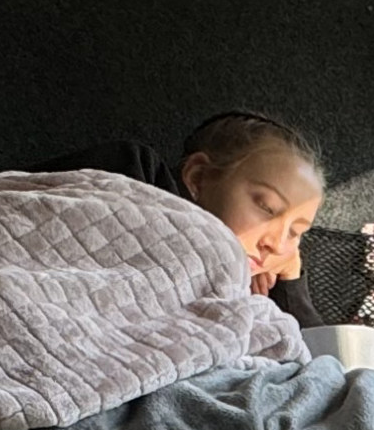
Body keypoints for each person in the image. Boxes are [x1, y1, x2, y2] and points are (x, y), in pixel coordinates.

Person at [57, 109, 329, 307]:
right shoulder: (134, 169)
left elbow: (319, 366)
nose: (277, 244)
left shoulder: (252, 298)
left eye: (295, 232)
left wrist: (290, 282)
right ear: (198, 177)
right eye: (267, 208)